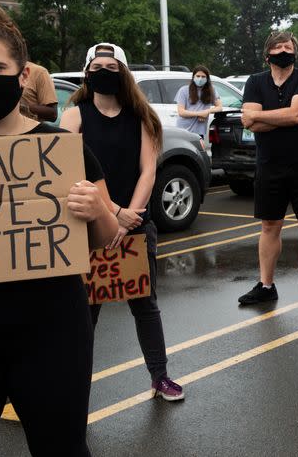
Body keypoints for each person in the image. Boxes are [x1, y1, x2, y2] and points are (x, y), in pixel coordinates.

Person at [0, 0, 118, 456]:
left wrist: (97, 210)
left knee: (62, 447)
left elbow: (106, 239)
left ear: (22, 74)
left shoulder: (62, 148)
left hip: (53, 330)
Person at [60, 42, 185, 401]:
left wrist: (130, 217)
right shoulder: (76, 115)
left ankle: (160, 376)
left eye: (111, 67)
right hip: (91, 227)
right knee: (86, 311)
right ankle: (72, 385)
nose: (104, 72)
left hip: (135, 225)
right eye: (97, 66)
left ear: (124, 73)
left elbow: (148, 170)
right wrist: (112, 213)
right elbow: (71, 171)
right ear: (87, 72)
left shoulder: (140, 115)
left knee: (145, 304)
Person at [236, 31, 298, 308]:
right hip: (269, 165)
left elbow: (296, 113)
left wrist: (260, 115)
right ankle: (266, 285)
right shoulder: (255, 82)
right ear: (268, 55)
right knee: (269, 226)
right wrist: (290, 117)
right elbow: (250, 124)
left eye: (288, 47)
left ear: (295, 53)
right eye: (278, 47)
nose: (283, 50)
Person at [174, 65, 222, 137]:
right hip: (183, 129)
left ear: (207, 78)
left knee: (198, 148)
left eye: (203, 77)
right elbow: (181, 112)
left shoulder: (211, 90)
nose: (200, 79)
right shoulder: (183, 90)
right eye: (198, 76)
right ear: (193, 77)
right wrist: (200, 114)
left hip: (199, 131)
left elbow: (219, 107)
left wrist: (206, 111)